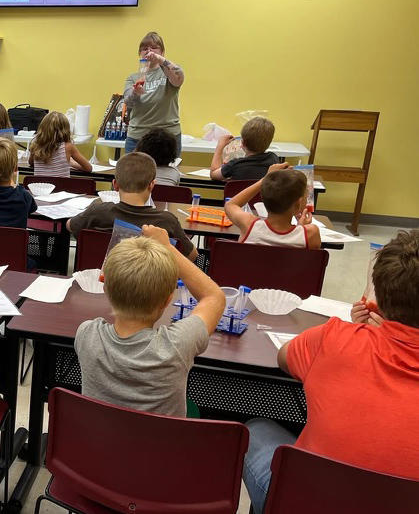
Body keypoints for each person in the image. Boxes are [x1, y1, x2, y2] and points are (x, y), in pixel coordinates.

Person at [242, 229, 419, 513]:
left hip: (303, 502)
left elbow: (284, 357)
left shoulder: (335, 338)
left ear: (379, 297)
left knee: (255, 430)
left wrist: (356, 331)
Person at [75, 225, 225, 416]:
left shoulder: (86, 334)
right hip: (161, 446)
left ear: (105, 287)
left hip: (99, 444)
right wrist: (168, 247)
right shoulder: (177, 344)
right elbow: (214, 296)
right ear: (168, 300)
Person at [67, 152, 197, 260]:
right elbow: (192, 255)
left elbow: (70, 225)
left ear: (115, 185)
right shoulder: (167, 220)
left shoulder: (98, 211)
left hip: (100, 282)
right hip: (150, 287)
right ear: (151, 185)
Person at [224, 164, 321, 249]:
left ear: (263, 197)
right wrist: (301, 227)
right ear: (298, 203)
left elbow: (230, 204)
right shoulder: (311, 233)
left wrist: (264, 179)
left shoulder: (249, 225)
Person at [123, 32, 185, 155]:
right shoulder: (133, 77)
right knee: (133, 173)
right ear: (140, 54)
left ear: (162, 52)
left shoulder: (168, 72)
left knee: (166, 173)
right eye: (144, 48)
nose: (149, 51)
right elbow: (128, 102)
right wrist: (135, 92)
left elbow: (178, 78)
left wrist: (160, 60)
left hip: (168, 137)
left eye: (154, 47)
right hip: (138, 137)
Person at [210, 117, 280, 181]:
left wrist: (220, 147)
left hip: (237, 195)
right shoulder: (274, 159)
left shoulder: (235, 165)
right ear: (269, 143)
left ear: (243, 143)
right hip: (263, 195)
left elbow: (213, 174)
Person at [28, 111, 91, 177]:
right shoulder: (68, 147)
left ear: (42, 127)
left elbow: (31, 163)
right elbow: (88, 168)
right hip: (61, 187)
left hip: (39, 186)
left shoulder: (36, 145)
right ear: (65, 129)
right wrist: (71, 163)